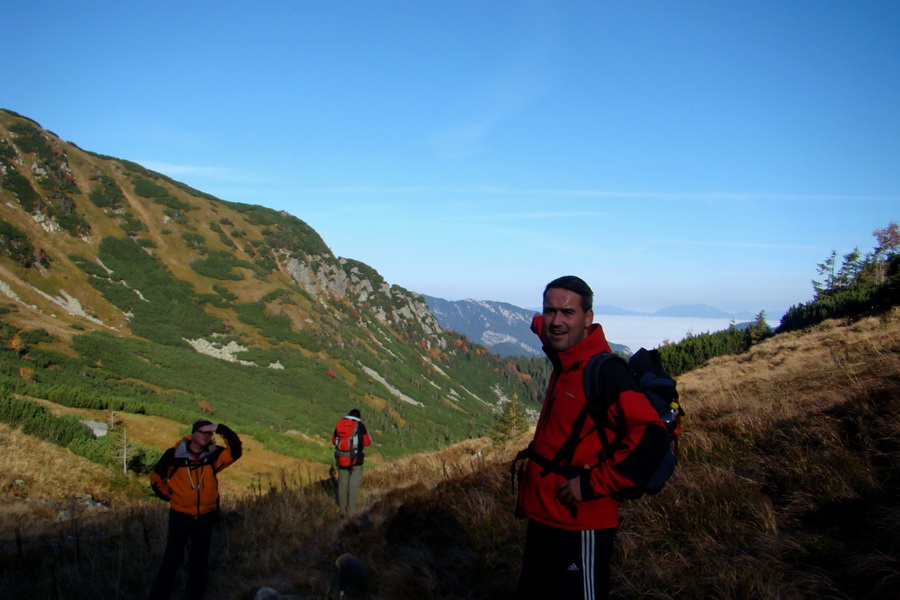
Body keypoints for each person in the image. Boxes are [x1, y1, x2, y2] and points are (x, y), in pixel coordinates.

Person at [515, 276, 667, 600]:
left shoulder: (607, 373)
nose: (556, 321)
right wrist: (536, 321)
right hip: (543, 517)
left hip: (580, 523)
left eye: (567, 313)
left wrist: (589, 485)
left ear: (588, 319)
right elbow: (543, 325)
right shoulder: (565, 349)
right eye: (549, 311)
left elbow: (652, 436)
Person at [149, 419, 242, 600]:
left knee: (199, 561)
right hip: (180, 515)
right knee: (172, 560)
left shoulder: (214, 455)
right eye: (202, 432)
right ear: (193, 433)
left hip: (206, 515)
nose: (205, 436)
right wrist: (171, 496)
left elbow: (236, 451)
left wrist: (220, 428)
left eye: (209, 433)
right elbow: (156, 478)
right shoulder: (174, 455)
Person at [331, 408, 372, 516]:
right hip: (356, 460)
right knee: (353, 485)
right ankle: (351, 511)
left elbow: (333, 441)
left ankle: (342, 510)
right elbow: (367, 442)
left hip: (341, 459)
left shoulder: (340, 424)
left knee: (342, 484)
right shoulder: (360, 425)